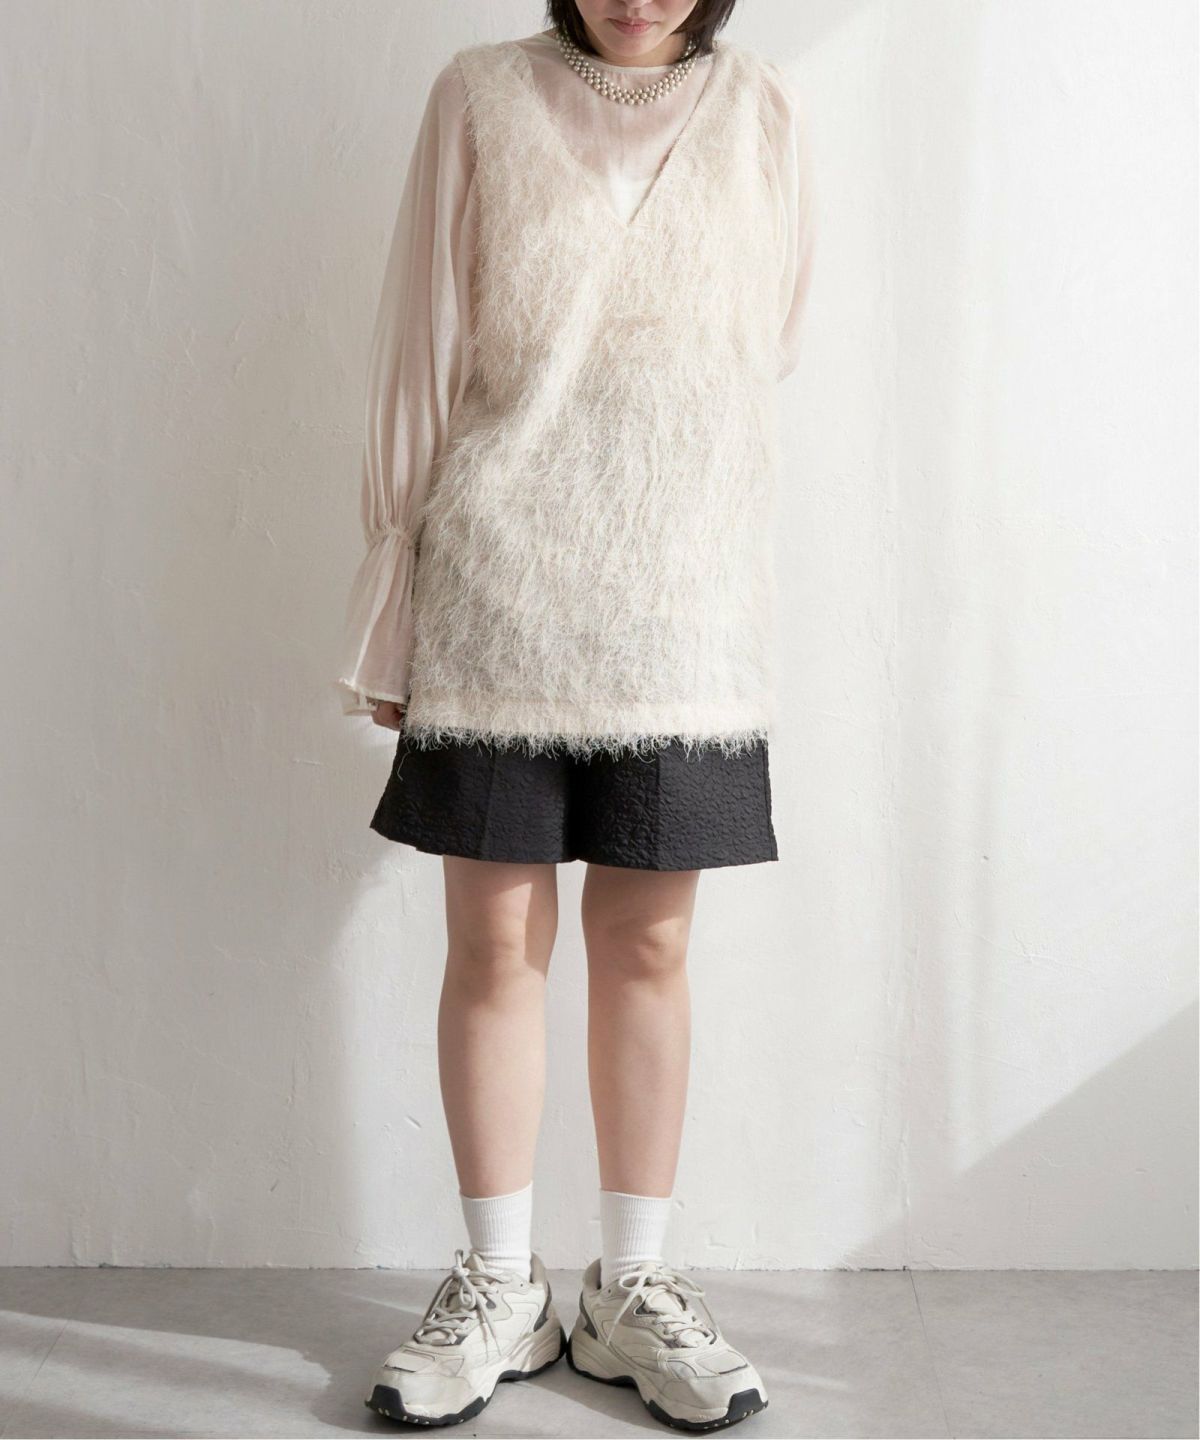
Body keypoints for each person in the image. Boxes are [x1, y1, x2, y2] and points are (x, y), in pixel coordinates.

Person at [335, 0, 817, 1429]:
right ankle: (501, 1283)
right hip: (498, 595)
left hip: (683, 613)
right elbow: (419, 346)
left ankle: (632, 1285)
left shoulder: (765, 113)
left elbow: (768, 341)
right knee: (493, 944)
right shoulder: (476, 97)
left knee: (650, 945)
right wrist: (394, 591)